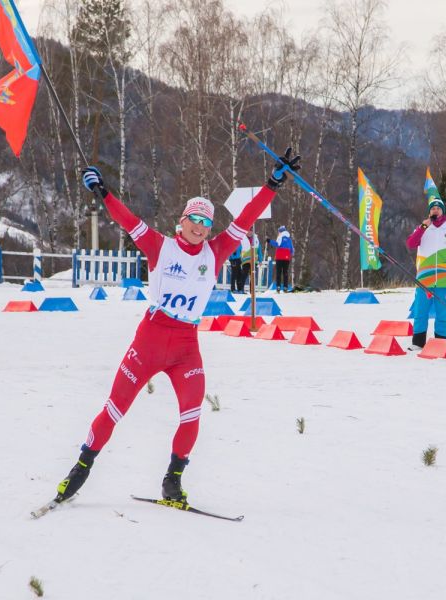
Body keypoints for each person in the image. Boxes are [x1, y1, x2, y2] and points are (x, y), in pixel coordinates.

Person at [52, 148, 301, 506]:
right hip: (151, 337)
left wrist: (272, 184)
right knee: (116, 407)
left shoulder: (215, 252)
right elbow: (127, 220)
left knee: (192, 411)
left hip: (186, 344)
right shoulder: (160, 246)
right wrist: (103, 192)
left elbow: (245, 220)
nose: (200, 228)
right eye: (194, 221)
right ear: (181, 222)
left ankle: (173, 480)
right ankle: (80, 467)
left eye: (205, 223)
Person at [405, 196, 446, 349]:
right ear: (429, 211)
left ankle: (441, 343)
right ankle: (418, 343)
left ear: (442, 211)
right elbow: (411, 244)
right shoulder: (422, 228)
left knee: (442, 315)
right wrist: (423, 227)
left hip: (444, 280)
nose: (435, 210)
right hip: (424, 280)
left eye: (438, 208)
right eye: (432, 208)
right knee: (420, 312)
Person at [268, 226, 294, 292]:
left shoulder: (280, 237)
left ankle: (278, 287)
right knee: (285, 272)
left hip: (279, 256)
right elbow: (291, 249)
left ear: (280, 231)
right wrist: (289, 256)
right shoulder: (289, 239)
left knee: (278, 272)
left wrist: (269, 241)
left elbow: (277, 244)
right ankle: (285, 287)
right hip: (286, 257)